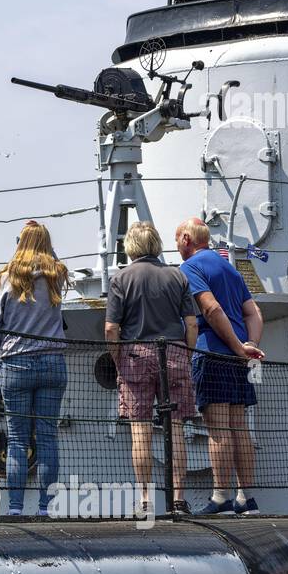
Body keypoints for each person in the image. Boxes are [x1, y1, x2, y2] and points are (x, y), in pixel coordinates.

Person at [104, 221, 199, 516]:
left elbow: (111, 328)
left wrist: (119, 359)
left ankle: (145, 500)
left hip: (134, 354)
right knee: (176, 429)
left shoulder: (121, 278)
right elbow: (192, 323)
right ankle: (179, 500)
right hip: (174, 351)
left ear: (130, 246)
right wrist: (186, 351)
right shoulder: (177, 275)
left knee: (140, 431)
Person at [176, 217, 265, 516]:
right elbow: (254, 312)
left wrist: (237, 348)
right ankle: (246, 498)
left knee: (218, 429)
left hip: (212, 353)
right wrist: (248, 345)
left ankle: (221, 497)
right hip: (238, 359)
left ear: (187, 239)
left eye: (177, 240)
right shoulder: (229, 267)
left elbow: (210, 308)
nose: (177, 247)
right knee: (239, 426)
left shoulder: (189, 268)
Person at [0, 221, 68, 516]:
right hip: (52, 363)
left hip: (16, 363)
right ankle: (46, 508)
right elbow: (54, 261)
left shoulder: (3, 279)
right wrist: (44, 248)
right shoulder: (56, 275)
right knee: (48, 437)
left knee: (18, 440)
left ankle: (15, 508)